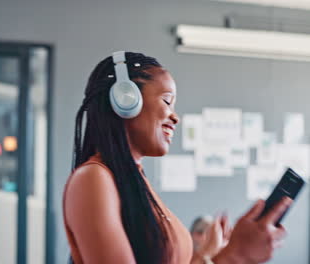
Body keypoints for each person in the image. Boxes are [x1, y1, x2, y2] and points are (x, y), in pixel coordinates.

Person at [63, 51, 292, 264]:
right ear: (125, 99)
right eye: (166, 101)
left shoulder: (134, 181)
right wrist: (236, 255)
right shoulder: (93, 179)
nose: (175, 117)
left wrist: (211, 255)